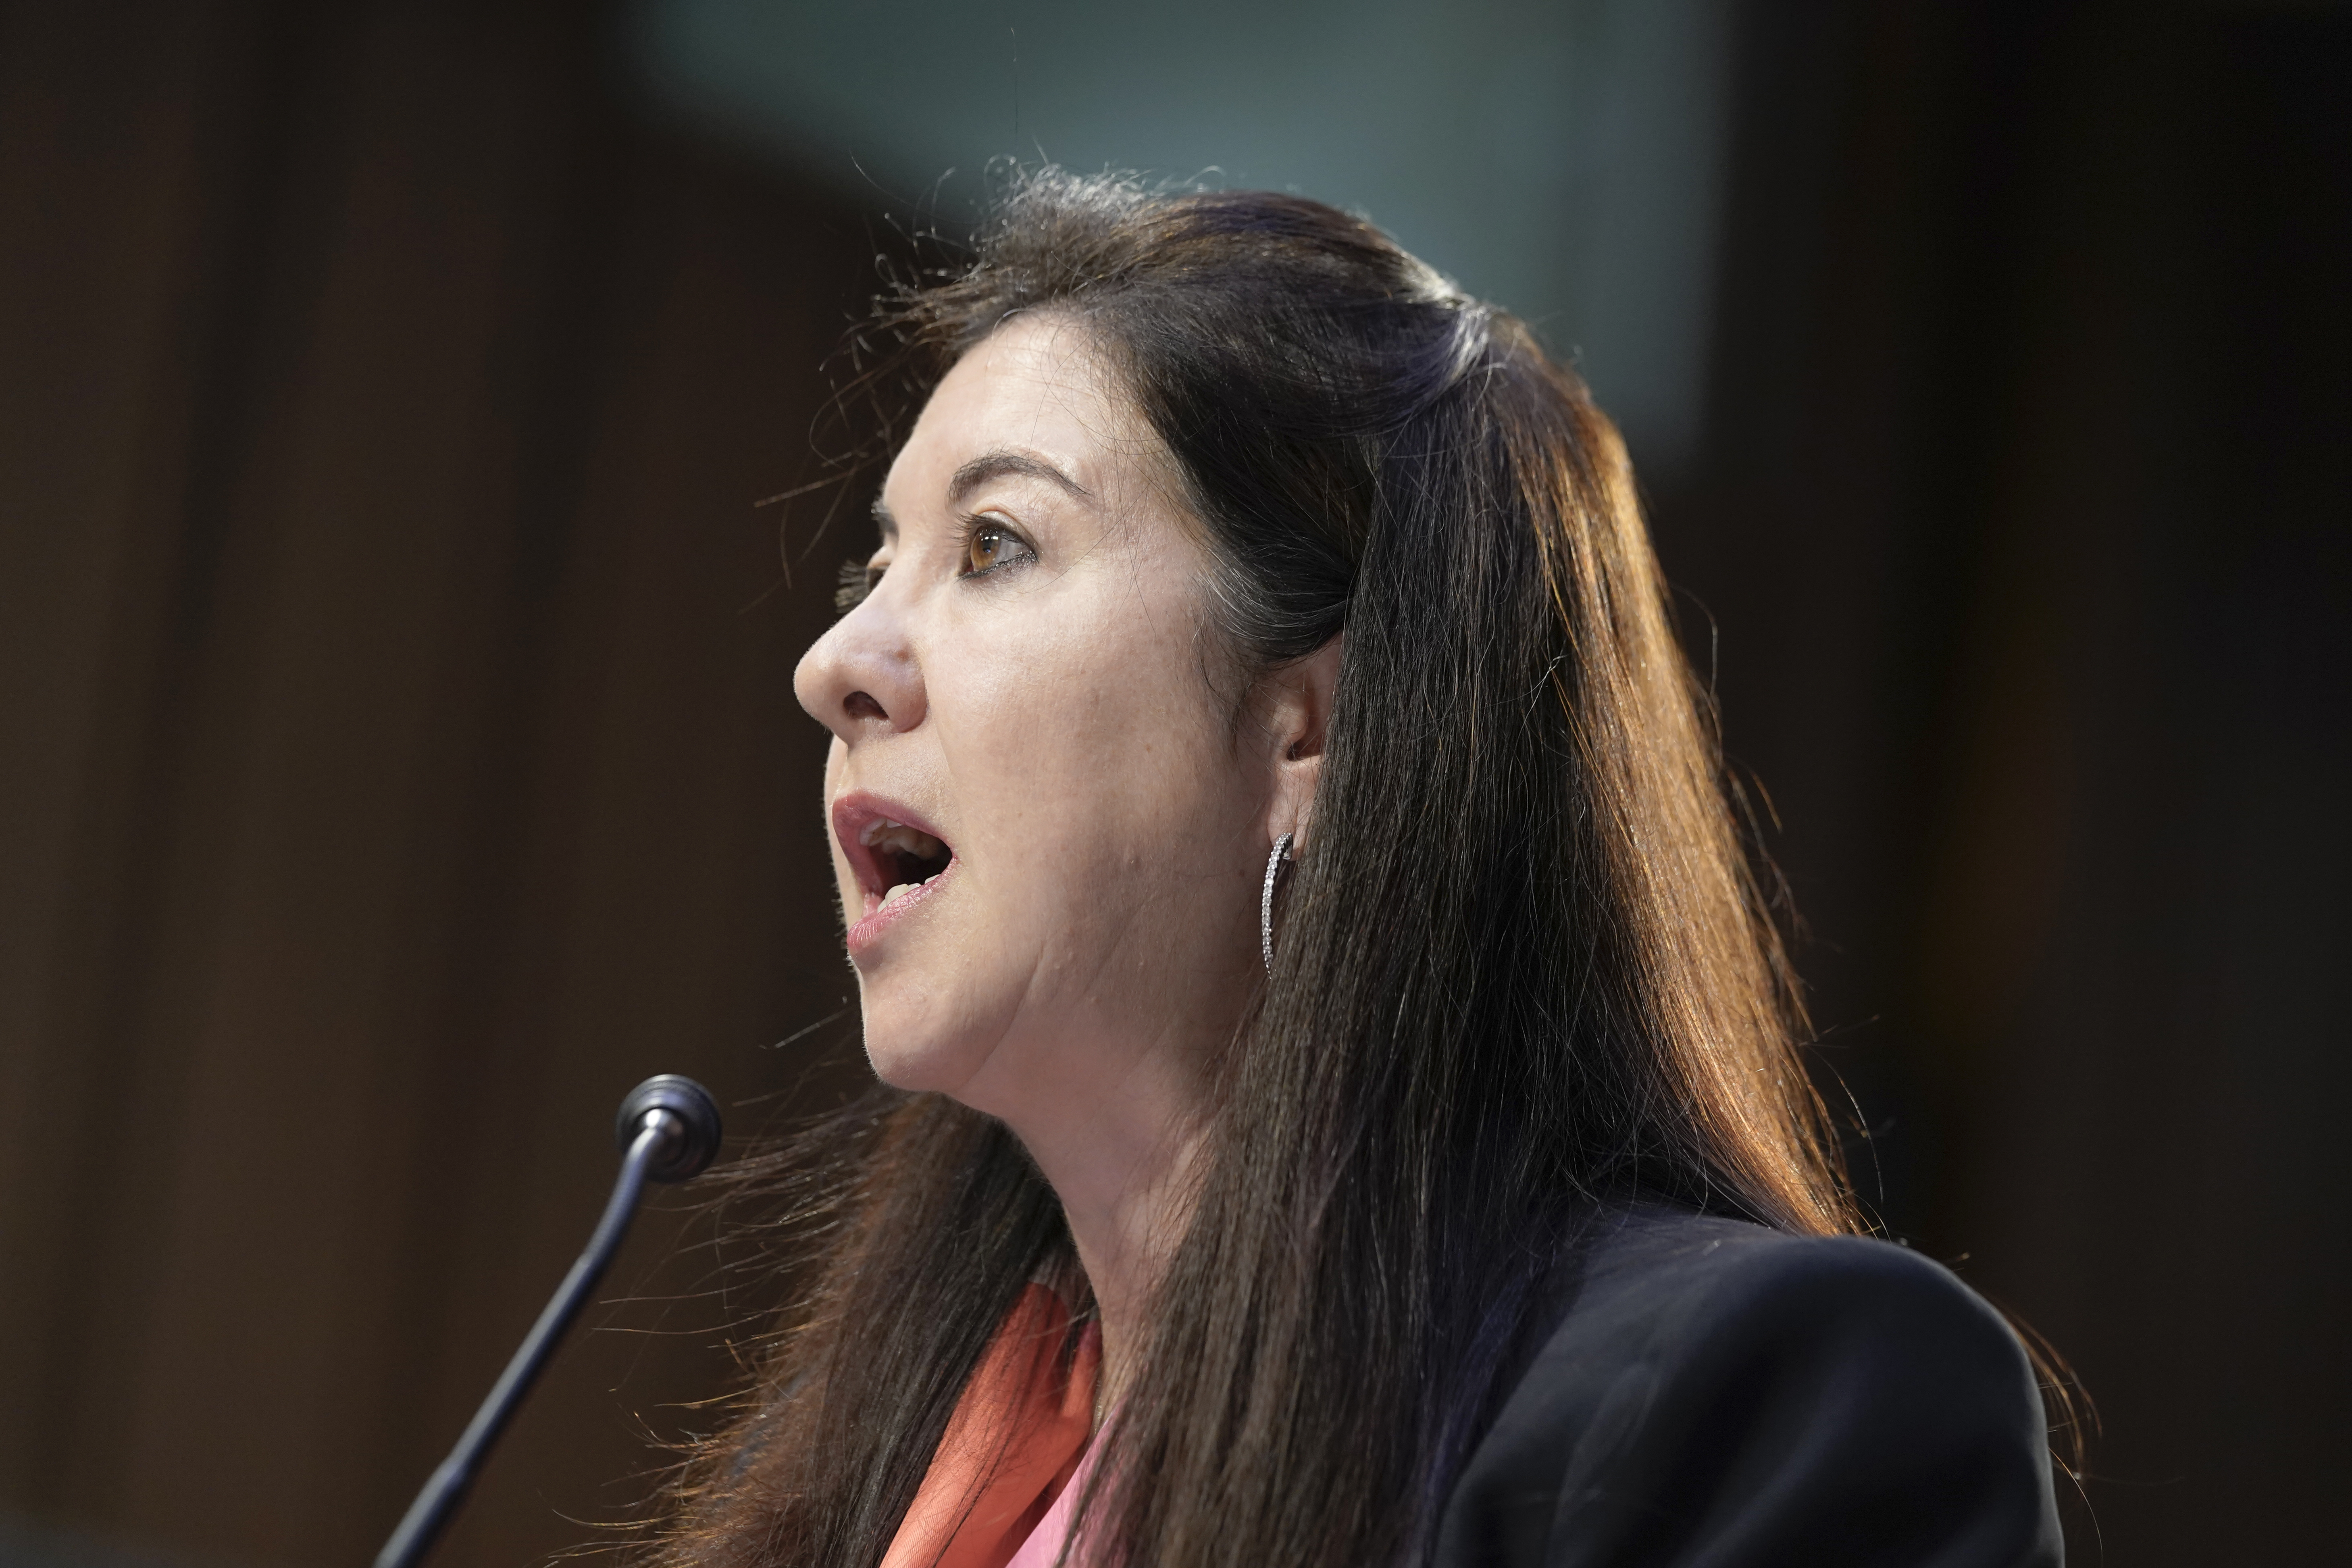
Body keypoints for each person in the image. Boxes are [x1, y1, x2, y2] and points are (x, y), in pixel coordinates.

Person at [654, 170, 2065, 1568]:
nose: (834, 663)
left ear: (1308, 730)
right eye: (874, 570)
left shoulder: (1758, 1407)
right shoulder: (911, 1455)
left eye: (994, 545)